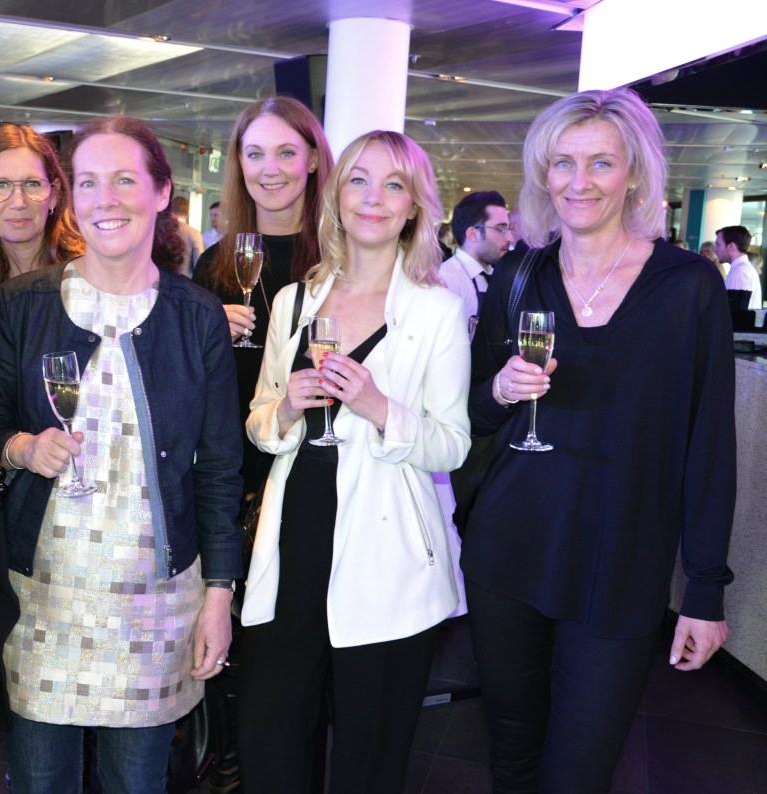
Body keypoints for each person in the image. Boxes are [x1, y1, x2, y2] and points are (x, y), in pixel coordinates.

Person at [462, 88, 735, 793]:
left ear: (634, 174)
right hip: (509, 550)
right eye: (563, 163)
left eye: (601, 163)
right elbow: (473, 416)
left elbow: (708, 447)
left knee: (580, 772)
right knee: (512, 758)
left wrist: (705, 589)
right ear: (543, 173)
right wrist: (499, 391)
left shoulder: (687, 287)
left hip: (621, 561)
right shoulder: (518, 277)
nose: (578, 182)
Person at [0, 116, 242, 793]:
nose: (106, 199)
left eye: (125, 179)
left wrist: (219, 597)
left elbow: (219, 471)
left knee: (136, 783)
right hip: (45, 597)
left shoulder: (198, 318)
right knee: (40, 782)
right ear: (71, 198)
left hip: (154, 602)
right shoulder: (21, 306)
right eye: (89, 182)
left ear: (162, 192)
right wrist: (22, 446)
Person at [238, 130, 470, 793]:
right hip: (292, 547)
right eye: (359, 181)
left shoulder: (437, 311)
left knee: (369, 760)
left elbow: (452, 444)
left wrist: (378, 407)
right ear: (336, 197)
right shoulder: (294, 302)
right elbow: (258, 421)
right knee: (271, 743)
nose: (373, 197)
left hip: (387, 559)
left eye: (394, 185)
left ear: (414, 207)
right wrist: (285, 410)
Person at [193, 95, 334, 490]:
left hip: (318, 469)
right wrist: (205, 340)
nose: (269, 170)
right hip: (233, 474)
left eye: (286, 153)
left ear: (312, 160)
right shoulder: (214, 265)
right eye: (255, 154)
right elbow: (188, 386)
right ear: (240, 163)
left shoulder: (339, 260)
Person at [0, 123, 84, 294]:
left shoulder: (87, 275)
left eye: (32, 183)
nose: (18, 203)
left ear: (54, 194)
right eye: (1, 185)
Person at [440, 191, 515, 337]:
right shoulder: (448, 279)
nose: (510, 238)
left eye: (509, 230)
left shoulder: (495, 275)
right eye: (501, 229)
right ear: (473, 234)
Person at [716, 225, 762, 310]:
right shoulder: (743, 270)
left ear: (731, 246)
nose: (715, 249)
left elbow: (734, 313)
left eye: (718, 245)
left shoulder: (739, 273)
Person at [171, 194, 204, 276]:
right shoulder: (194, 233)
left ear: (171, 210)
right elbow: (199, 264)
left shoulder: (163, 230)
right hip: (184, 280)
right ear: (188, 213)